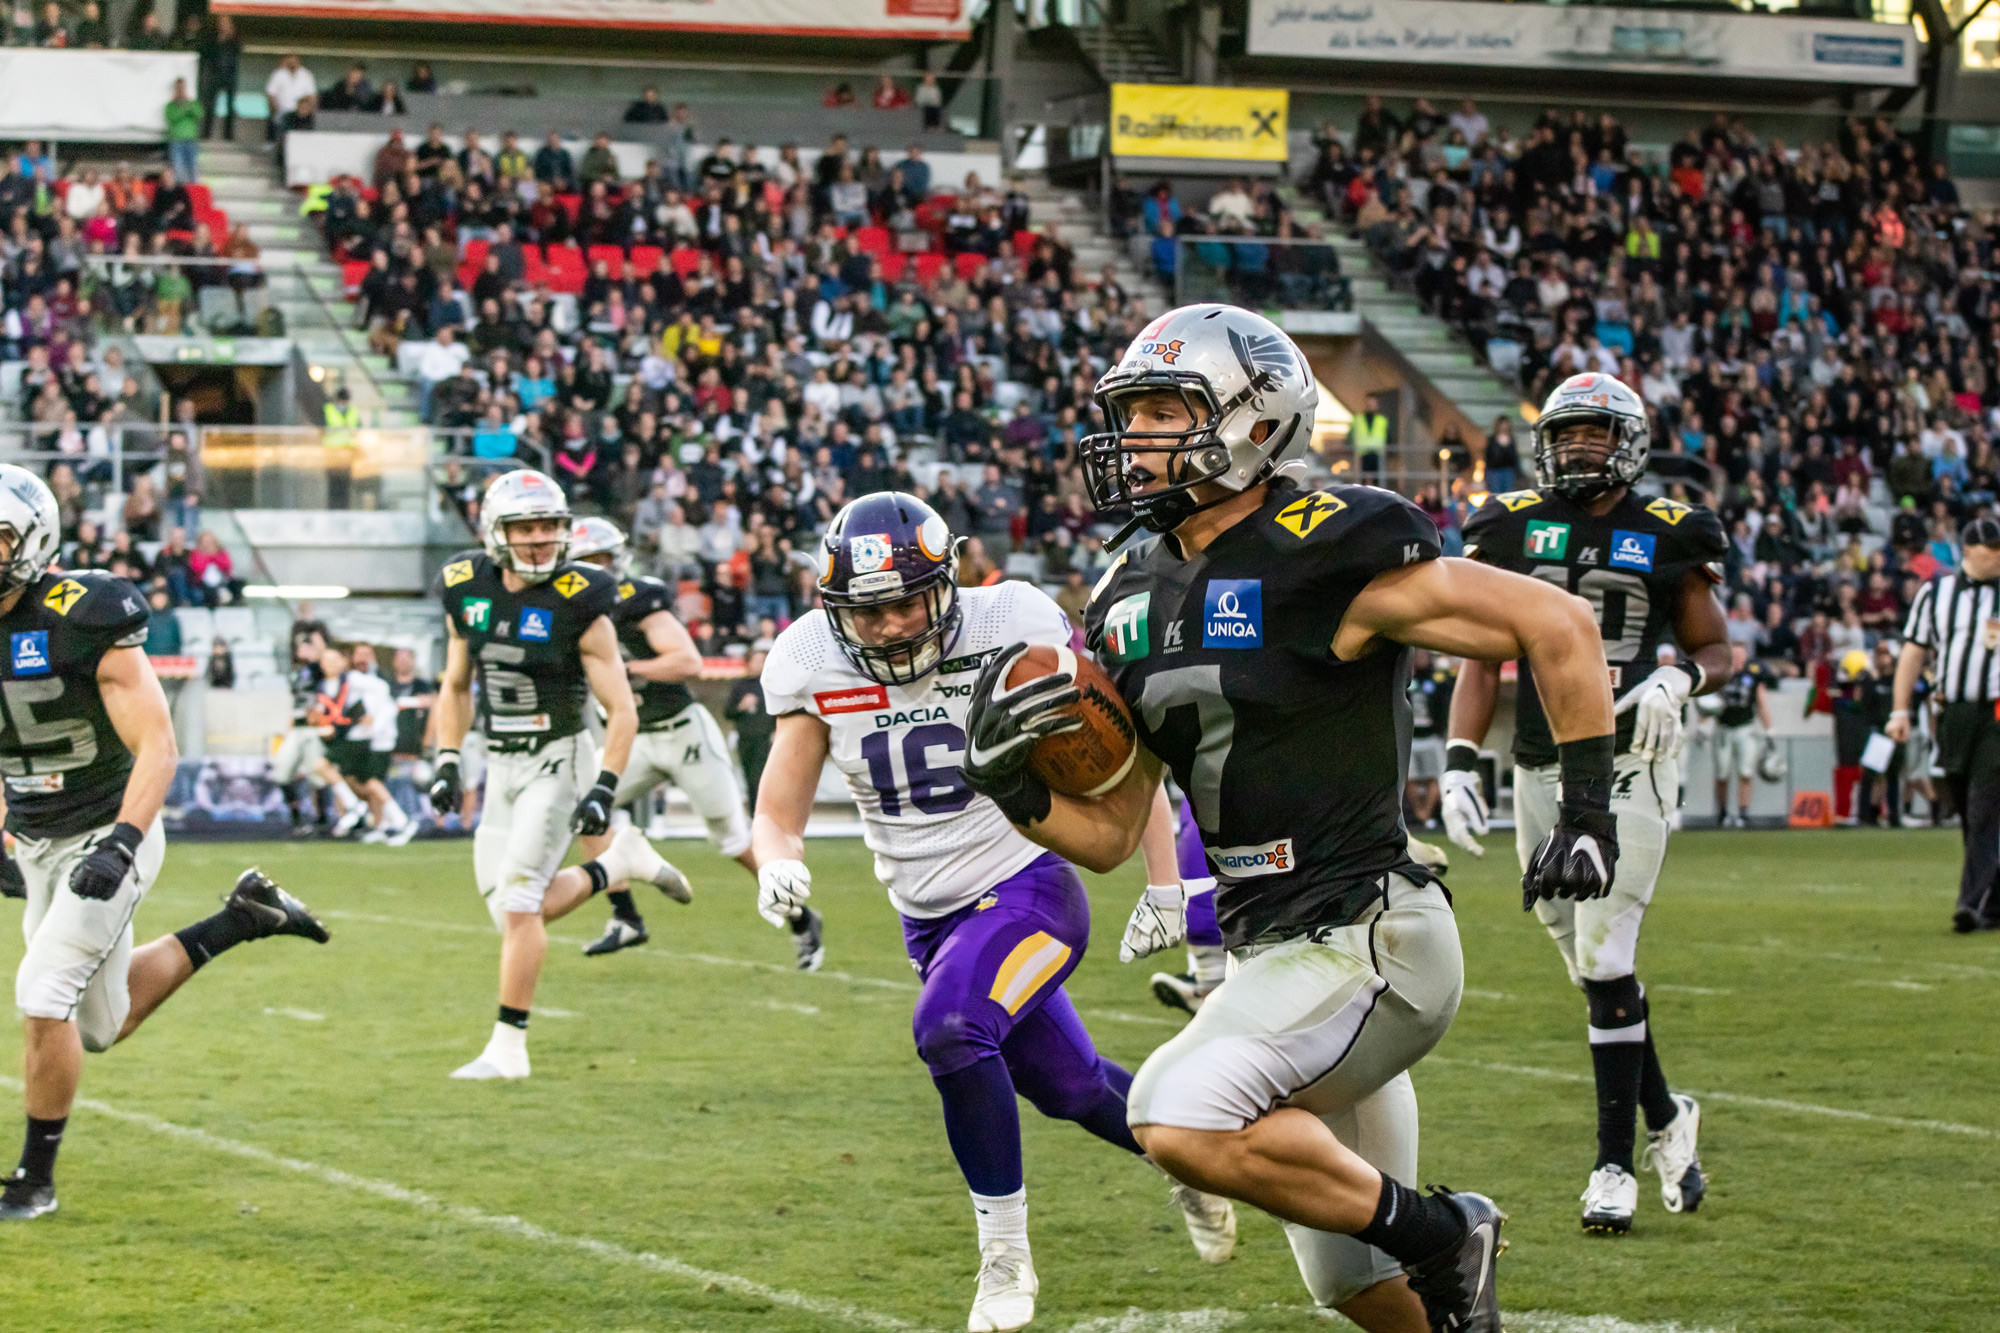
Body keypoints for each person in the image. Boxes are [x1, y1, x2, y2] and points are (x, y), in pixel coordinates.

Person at [963, 304, 1623, 1333]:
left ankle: (1445, 1227)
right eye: (1127, 417)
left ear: (1250, 416)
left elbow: (1557, 620)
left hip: (1371, 933)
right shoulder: (1124, 590)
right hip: (1275, 954)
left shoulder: (1325, 543)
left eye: (1160, 413)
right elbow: (1109, 831)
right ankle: (1433, 1256)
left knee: (1171, 1112)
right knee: (1359, 1286)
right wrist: (1012, 785)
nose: (1133, 441)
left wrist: (1586, 811)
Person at [752, 490, 1235, 1332]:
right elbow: (777, 812)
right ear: (834, 611)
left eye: (907, 602)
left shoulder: (1010, 619)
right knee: (1072, 1087)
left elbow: (1118, 750)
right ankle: (1186, 1156)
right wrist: (776, 863)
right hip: (928, 916)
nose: (894, 626)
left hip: (1029, 886)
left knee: (949, 1029)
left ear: (947, 582)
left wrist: (1166, 881)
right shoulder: (808, 662)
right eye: (869, 613)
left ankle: (1004, 1256)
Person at [0, 465, 329, 1221]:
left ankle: (34, 1180)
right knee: (100, 1023)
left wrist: (120, 842)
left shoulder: (82, 614)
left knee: (42, 993)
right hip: (41, 836)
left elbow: (160, 744)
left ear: (35, 541)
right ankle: (243, 915)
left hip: (113, 826)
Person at [1443, 371, 1726, 1237]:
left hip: (1632, 759)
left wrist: (1682, 675)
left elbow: (1713, 641)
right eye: (1566, 435)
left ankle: (1612, 1167)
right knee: (1588, 965)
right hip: (1538, 761)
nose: (1577, 450)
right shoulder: (1510, 523)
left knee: (1606, 961)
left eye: (1595, 436)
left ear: (1629, 443)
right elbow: (1479, 654)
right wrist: (1459, 759)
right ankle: (1668, 1113)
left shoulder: (1668, 528)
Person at [425, 470, 690, 1080]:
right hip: (501, 760)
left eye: (550, 525)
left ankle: (509, 1047)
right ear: (497, 532)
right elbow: (456, 682)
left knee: (520, 905)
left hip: (559, 758)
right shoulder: (466, 585)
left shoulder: (582, 596)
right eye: (527, 527)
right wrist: (446, 758)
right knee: (510, 911)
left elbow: (621, 708)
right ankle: (616, 865)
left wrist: (603, 784)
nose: (542, 539)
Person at [563, 519, 817, 965]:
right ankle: (626, 917)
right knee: (589, 811)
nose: (594, 572)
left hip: (683, 733)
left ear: (616, 561)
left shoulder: (636, 598)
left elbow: (687, 660)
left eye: (600, 561)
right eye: (585, 563)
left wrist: (627, 672)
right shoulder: (571, 609)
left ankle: (801, 918)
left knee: (735, 840)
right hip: (637, 737)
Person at [1888, 515, 2000, 933]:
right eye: (1995, 552)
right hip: (1952, 711)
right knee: (1962, 800)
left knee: (1984, 803)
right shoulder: (1936, 593)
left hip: (1997, 712)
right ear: (1969, 551)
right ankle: (1995, 901)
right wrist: (1899, 711)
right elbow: (1913, 653)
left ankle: (1969, 904)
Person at [1708, 641, 1774, 828]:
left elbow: (1761, 702)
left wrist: (1769, 729)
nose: (1738, 660)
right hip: (1723, 727)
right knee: (1722, 772)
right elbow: (1709, 699)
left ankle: (1743, 813)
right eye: (1735, 656)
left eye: (1740, 656)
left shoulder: (1752, 674)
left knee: (1745, 771)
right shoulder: (1721, 674)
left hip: (1745, 727)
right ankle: (1722, 813)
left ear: (1745, 658)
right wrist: (1703, 726)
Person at [165, 79, 202, 184]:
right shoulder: (170, 105)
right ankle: (181, 192)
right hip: (176, 140)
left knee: (193, 168)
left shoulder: (192, 103)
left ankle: (193, 192)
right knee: (178, 168)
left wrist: (188, 105)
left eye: (183, 88)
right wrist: (183, 109)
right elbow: (172, 118)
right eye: (178, 88)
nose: (181, 90)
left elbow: (199, 114)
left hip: (191, 140)